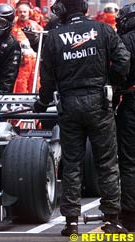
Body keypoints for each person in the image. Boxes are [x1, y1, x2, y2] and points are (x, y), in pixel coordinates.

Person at [33, 0, 130, 235]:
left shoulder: (55, 37)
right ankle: (112, 219)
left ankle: (71, 222)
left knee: (72, 164)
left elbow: (46, 79)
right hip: (99, 102)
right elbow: (123, 60)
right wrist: (114, 86)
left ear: (64, 10)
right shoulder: (103, 30)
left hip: (69, 106)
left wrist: (42, 103)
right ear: (85, 8)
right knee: (107, 163)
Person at [115, 3, 135, 232]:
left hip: (131, 100)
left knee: (129, 162)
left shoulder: (127, 41)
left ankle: (129, 216)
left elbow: (120, 69)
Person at [12, 1, 42, 94]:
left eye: (25, 12)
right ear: (17, 13)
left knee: (35, 84)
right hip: (20, 63)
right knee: (21, 85)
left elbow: (43, 41)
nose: (23, 14)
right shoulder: (13, 27)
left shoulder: (36, 26)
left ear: (29, 13)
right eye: (20, 12)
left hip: (34, 62)